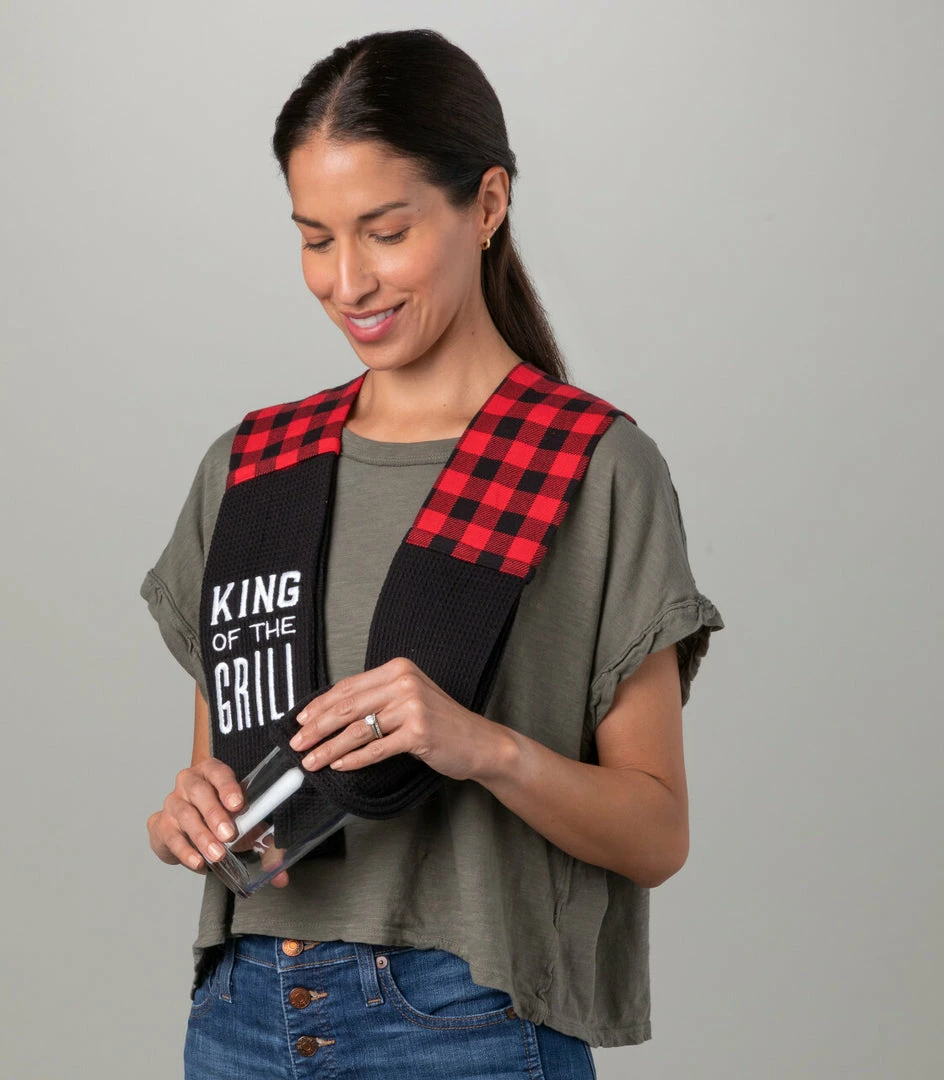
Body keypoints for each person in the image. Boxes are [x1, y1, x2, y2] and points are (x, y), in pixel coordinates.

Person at [139, 28, 724, 1080]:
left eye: (386, 232)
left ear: (487, 204)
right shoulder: (254, 468)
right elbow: (230, 787)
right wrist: (190, 812)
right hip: (243, 1014)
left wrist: (480, 745)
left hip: (465, 1025)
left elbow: (656, 834)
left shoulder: (588, 468)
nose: (348, 281)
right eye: (315, 238)